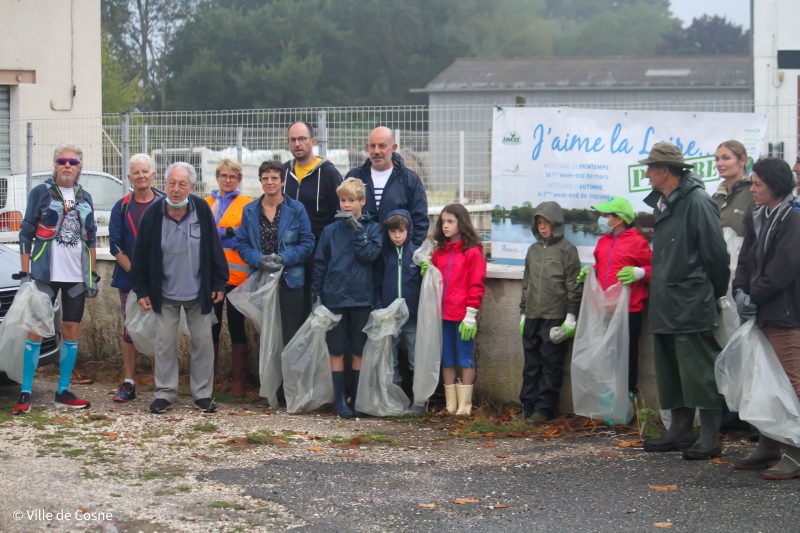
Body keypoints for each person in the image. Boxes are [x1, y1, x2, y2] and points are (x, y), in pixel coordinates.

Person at [639, 142, 730, 460]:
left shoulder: (697, 202)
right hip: (665, 300)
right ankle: (678, 430)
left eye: (650, 167)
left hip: (691, 300)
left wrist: (712, 293)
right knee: (669, 367)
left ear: (665, 170)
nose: (647, 173)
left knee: (698, 368)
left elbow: (716, 255)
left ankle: (709, 436)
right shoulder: (662, 203)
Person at [131, 162, 228, 414]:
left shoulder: (202, 210)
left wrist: (219, 282)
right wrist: (141, 290)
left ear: (191, 187)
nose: (175, 189)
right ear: (165, 184)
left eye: (182, 184)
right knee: (164, 345)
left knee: (203, 343)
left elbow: (215, 249)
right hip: (165, 294)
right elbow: (140, 255)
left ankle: (203, 395)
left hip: (199, 292)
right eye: (171, 183)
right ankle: (165, 393)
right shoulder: (153, 214)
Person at [13, 143, 99, 414]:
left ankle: (62, 390)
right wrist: (26, 273)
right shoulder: (40, 193)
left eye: (72, 162)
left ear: (79, 168)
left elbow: (92, 237)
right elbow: (26, 233)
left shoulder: (85, 197)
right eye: (62, 161)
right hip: (44, 274)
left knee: (71, 331)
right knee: (36, 331)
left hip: (75, 277)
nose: (67, 166)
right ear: (55, 165)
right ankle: (26, 390)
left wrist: (92, 275)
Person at [731, 157, 800, 479]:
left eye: (758, 183)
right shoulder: (758, 217)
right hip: (761, 311)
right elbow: (744, 261)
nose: (753, 189)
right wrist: (739, 291)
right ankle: (769, 445)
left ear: (775, 185)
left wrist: (752, 296)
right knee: (764, 381)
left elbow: (784, 269)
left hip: (785, 314)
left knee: (791, 382)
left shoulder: (794, 218)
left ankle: (796, 452)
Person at [313, 177, 383, 418]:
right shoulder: (330, 231)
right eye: (343, 200)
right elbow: (320, 262)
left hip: (362, 297)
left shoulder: (373, 228)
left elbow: (370, 255)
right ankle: (340, 399)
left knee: (358, 349)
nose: (346, 205)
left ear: (362, 201)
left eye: (351, 200)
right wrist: (317, 293)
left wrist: (358, 231)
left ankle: (357, 397)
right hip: (335, 297)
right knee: (336, 349)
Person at [236, 160, 315, 349]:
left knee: (291, 335)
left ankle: (290, 379)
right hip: (261, 280)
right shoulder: (249, 210)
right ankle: (269, 379)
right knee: (266, 336)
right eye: (265, 178)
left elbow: (307, 243)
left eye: (274, 178)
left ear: (282, 182)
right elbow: (242, 243)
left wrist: (284, 259)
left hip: (290, 281)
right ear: (260, 181)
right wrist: (259, 260)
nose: (269, 182)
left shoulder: (296, 209)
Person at [576, 197, 651, 393]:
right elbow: (602, 266)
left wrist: (640, 273)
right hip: (605, 309)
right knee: (605, 355)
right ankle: (608, 401)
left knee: (626, 357)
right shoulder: (603, 241)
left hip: (629, 310)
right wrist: (590, 271)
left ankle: (626, 402)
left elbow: (655, 269)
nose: (601, 218)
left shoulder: (638, 242)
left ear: (618, 219)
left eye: (605, 215)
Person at [518, 201, 581, 424]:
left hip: (555, 316)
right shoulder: (533, 251)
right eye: (539, 223)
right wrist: (523, 312)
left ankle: (544, 409)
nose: (543, 227)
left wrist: (571, 316)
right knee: (531, 364)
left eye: (546, 223)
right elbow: (527, 282)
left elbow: (573, 284)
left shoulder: (567, 250)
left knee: (551, 365)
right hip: (533, 316)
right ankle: (527, 404)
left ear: (557, 224)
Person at [422, 203, 487, 417]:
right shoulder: (439, 253)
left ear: (462, 223)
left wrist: (471, 313)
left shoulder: (473, 253)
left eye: (450, 221)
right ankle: (451, 404)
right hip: (442, 315)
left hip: (463, 316)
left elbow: (476, 284)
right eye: (443, 222)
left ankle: (465, 405)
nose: (445, 225)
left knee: (465, 358)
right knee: (447, 358)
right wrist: (427, 271)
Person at [109, 153, 163, 403]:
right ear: (129, 177)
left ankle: (163, 383)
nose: (141, 176)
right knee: (130, 329)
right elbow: (115, 246)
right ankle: (128, 382)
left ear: (153, 174)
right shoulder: (121, 207)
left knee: (163, 329)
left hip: (162, 280)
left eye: (145, 171)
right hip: (129, 280)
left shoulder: (165, 203)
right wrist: (136, 273)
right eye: (136, 172)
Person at [282, 121, 342, 315]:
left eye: (302, 139)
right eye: (293, 140)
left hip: (319, 252)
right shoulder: (282, 172)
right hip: (289, 252)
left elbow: (340, 212)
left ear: (313, 141)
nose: (297, 144)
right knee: (293, 310)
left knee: (316, 306)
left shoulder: (328, 173)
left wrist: (330, 247)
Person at [205, 158, 253, 397]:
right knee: (211, 327)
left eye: (232, 176)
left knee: (237, 328)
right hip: (212, 277)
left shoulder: (247, 204)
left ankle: (238, 383)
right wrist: (227, 233)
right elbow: (202, 235)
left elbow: (244, 237)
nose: (227, 180)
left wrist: (220, 233)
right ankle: (208, 381)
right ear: (217, 177)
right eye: (223, 175)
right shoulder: (206, 203)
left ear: (239, 179)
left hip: (237, 278)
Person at [346, 126, 429, 245]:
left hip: (395, 256)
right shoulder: (354, 177)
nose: (376, 151)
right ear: (367, 147)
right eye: (372, 146)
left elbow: (420, 220)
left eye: (382, 146)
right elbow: (343, 213)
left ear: (394, 148)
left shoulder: (409, 179)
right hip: (361, 254)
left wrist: (409, 251)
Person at [376, 210, 422, 409]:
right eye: (393, 232)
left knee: (415, 356)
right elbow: (376, 282)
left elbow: (424, 284)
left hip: (412, 315)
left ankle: (419, 399)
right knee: (390, 357)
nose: (397, 236)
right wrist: (379, 307)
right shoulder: (384, 255)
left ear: (408, 230)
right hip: (390, 316)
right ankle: (395, 398)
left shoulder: (417, 254)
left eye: (401, 231)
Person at [711, 140, 754, 237]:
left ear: (742, 160)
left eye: (726, 158)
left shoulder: (753, 193)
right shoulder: (716, 197)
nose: (719, 164)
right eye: (717, 159)